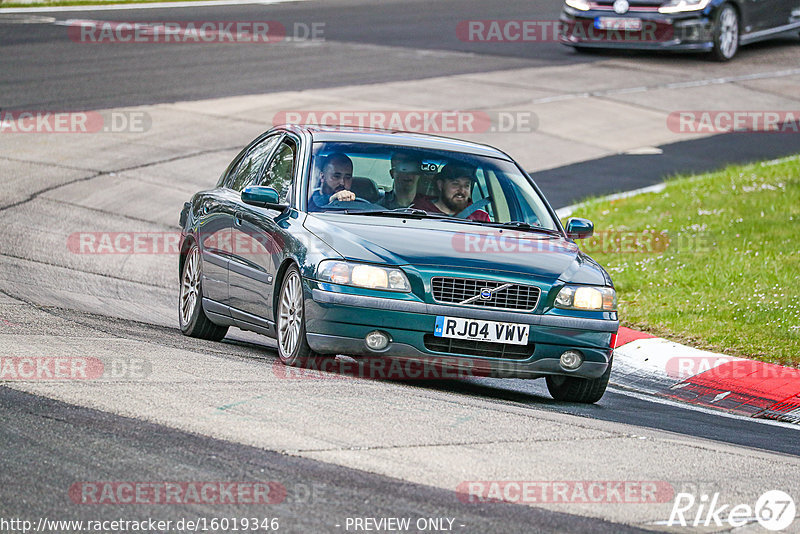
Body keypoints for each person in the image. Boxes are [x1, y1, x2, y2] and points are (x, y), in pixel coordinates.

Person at [412, 163, 490, 222]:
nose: (462, 190)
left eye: (466, 185)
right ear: (440, 185)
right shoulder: (417, 213)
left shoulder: (480, 217)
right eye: (455, 184)